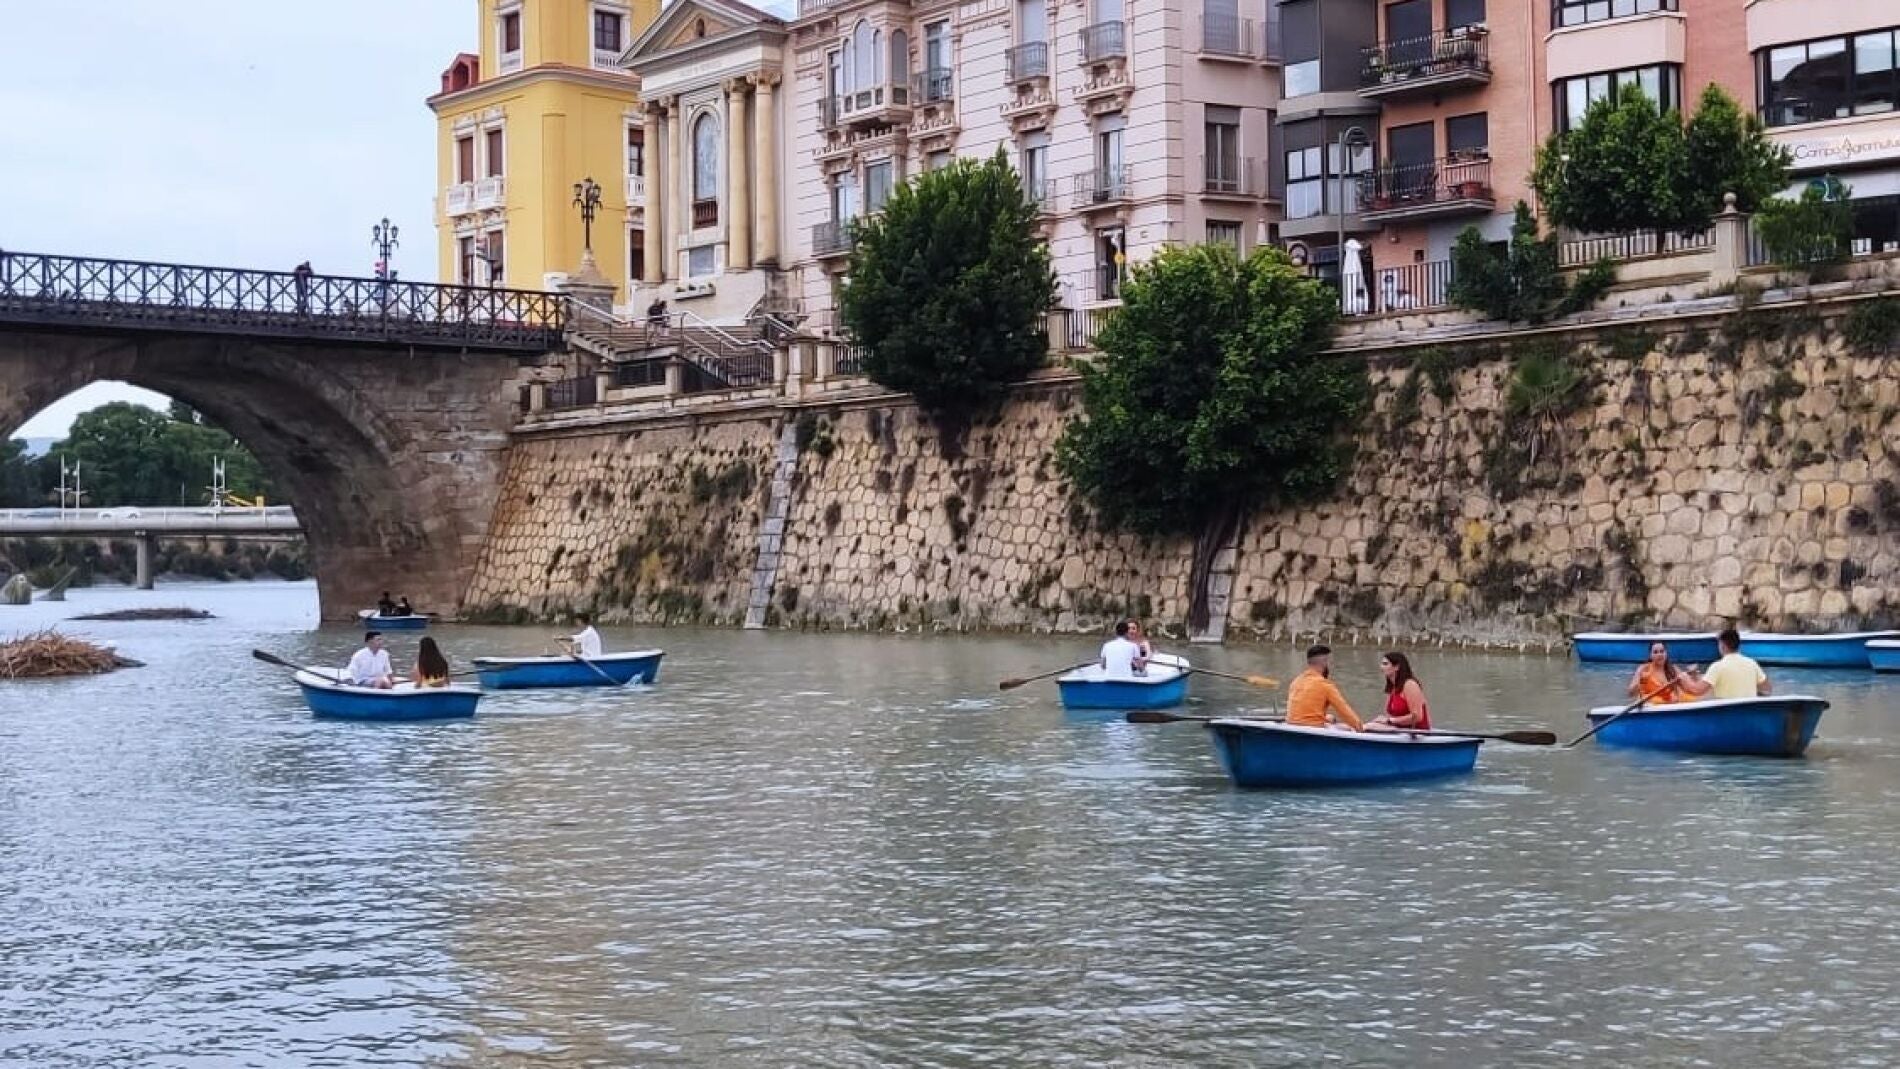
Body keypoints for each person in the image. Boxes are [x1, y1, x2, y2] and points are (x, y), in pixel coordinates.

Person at [1285, 644, 1364, 731]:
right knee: (1348, 728)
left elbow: (1303, 711)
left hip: (1292, 726)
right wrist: (1359, 727)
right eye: (1330, 662)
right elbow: (1345, 711)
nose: (1331, 665)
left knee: (1330, 718)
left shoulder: (1295, 682)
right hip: (1313, 729)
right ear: (1324, 662)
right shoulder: (1325, 685)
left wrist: (1325, 718)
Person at [1681, 628, 1769, 700]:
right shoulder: (1752, 664)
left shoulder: (1717, 666)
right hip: (1748, 710)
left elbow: (1696, 690)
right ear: (1739, 645)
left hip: (1726, 712)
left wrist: (1683, 677)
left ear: (1722, 646)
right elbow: (1767, 690)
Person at [1366, 651, 1431, 732]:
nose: (1381, 667)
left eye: (1385, 664)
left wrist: (1389, 720)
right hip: (1400, 730)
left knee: (1368, 727)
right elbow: (1393, 716)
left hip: (1417, 732)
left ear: (1396, 667)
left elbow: (1417, 717)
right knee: (1364, 726)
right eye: (1382, 664)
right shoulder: (1393, 688)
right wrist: (1383, 720)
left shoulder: (1410, 685)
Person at [1627, 642, 1694, 704]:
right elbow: (1631, 693)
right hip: (1652, 707)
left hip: (1672, 705)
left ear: (1666, 653)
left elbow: (1690, 689)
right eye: (1655, 652)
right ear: (1650, 655)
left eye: (1662, 651)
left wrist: (1693, 675)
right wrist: (1639, 681)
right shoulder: (1643, 669)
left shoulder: (1673, 669)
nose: (1659, 655)